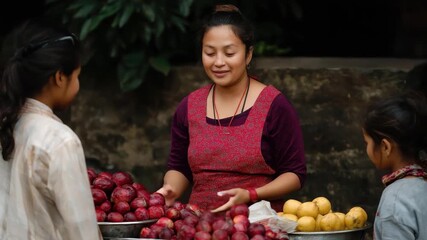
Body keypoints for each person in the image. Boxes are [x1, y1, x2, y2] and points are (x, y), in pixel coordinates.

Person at [157, 4, 306, 212]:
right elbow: (179, 167)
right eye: (209, 53)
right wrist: (171, 188)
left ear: (248, 55)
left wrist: (252, 194)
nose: (218, 62)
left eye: (229, 53)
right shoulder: (189, 106)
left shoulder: (274, 105)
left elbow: (294, 173)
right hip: (198, 225)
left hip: (257, 225)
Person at [0, 19, 102, 239]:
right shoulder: (60, 140)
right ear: (59, 77)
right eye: (77, 76)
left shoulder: (7, 124)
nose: (77, 85)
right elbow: (82, 231)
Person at [362, 93, 427, 239]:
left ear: (385, 147)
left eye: (367, 143)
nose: (366, 149)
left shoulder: (395, 200)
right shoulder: (422, 184)